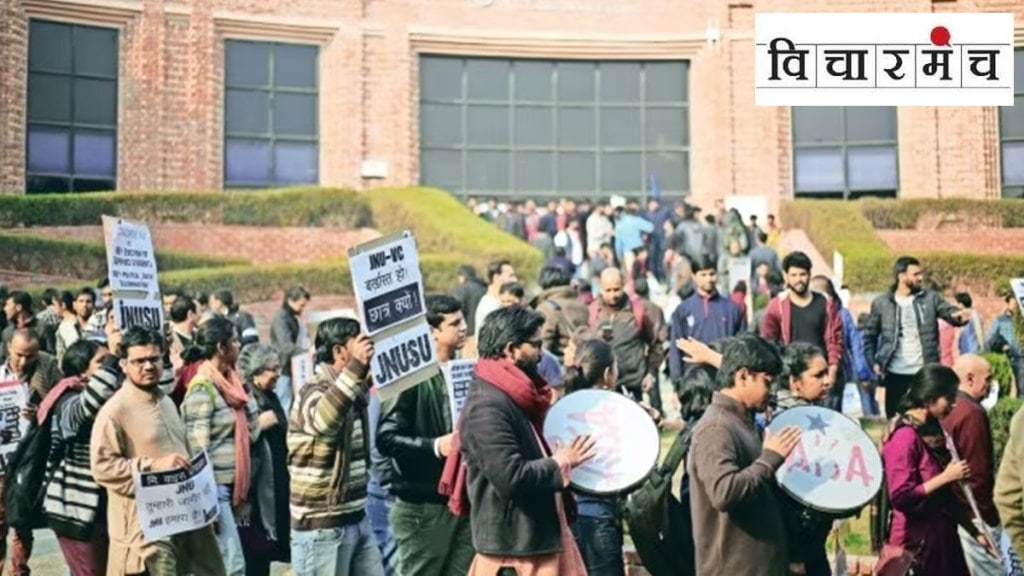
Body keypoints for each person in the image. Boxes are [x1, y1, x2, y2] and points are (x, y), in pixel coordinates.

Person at [441, 306, 595, 574]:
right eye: (535, 345)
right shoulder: (487, 406)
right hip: (514, 556)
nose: (541, 354)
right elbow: (510, 477)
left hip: (534, 543)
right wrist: (559, 462)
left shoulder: (512, 394)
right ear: (511, 350)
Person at [90, 326, 226, 576]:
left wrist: (205, 503)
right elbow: (102, 468)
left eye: (154, 359)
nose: (148, 366)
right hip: (145, 533)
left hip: (185, 519)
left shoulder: (166, 401)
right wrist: (152, 466)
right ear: (124, 364)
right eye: (139, 361)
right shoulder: (115, 411)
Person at [688, 334, 801, 576]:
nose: (771, 392)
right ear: (742, 376)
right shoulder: (716, 428)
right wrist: (769, 459)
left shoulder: (742, 419)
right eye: (767, 382)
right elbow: (724, 493)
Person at [377, 295, 474, 576]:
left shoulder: (465, 369)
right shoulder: (411, 377)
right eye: (454, 323)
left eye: (463, 320)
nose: (464, 328)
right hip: (422, 503)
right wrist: (435, 446)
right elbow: (386, 438)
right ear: (432, 332)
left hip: (462, 498)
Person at [286, 317, 383, 576]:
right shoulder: (312, 391)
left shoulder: (353, 392)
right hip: (322, 528)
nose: (366, 347)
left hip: (357, 517)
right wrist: (357, 366)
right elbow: (325, 420)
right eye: (358, 343)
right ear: (339, 352)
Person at [181, 317, 263, 575]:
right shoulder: (202, 389)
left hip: (232, 486)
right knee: (232, 566)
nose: (239, 346)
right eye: (235, 341)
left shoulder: (232, 385)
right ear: (221, 347)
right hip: (214, 488)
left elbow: (253, 430)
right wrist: (207, 503)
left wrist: (243, 390)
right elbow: (197, 450)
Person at [881, 363, 981, 575]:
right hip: (914, 547)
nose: (954, 403)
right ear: (929, 399)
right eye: (949, 397)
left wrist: (974, 532)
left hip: (942, 542)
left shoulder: (933, 430)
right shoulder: (904, 437)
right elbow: (901, 496)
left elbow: (944, 497)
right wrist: (946, 477)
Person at [863, 256, 970, 418]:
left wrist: (958, 316)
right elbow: (869, 336)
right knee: (896, 418)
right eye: (915, 274)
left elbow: (948, 311)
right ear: (901, 276)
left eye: (921, 274)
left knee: (927, 419)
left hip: (924, 372)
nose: (920, 278)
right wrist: (873, 362)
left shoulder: (930, 298)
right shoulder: (882, 303)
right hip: (894, 373)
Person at [40, 338, 111, 576]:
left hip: (106, 507)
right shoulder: (66, 399)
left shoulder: (114, 398)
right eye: (101, 362)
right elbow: (86, 408)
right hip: (77, 510)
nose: (111, 365)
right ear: (82, 371)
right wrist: (114, 360)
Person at [562, 338, 628, 576]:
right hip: (600, 518)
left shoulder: (561, 407)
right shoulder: (617, 411)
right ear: (608, 373)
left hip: (566, 520)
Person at [769, 343, 834, 576]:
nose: (827, 380)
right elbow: (784, 498)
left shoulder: (814, 414)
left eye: (827, 373)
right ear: (795, 382)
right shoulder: (788, 424)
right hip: (796, 543)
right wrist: (795, 555)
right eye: (818, 375)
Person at [942, 354, 1010, 574]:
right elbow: (977, 473)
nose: (990, 385)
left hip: (953, 509)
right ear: (970, 378)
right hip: (974, 513)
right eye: (987, 379)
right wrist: (990, 517)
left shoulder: (949, 407)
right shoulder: (971, 413)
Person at [237, 343, 291, 576]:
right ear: (257, 372)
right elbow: (237, 439)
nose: (278, 374)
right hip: (256, 492)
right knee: (255, 553)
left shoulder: (271, 396)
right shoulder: (245, 399)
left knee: (266, 553)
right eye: (273, 369)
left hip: (276, 482)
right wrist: (258, 425)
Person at [761, 251, 843, 388]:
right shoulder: (777, 306)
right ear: (786, 276)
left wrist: (832, 371)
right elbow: (769, 342)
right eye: (793, 275)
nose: (798, 279)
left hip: (821, 376)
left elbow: (835, 339)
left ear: (809, 274)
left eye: (802, 274)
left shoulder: (825, 303)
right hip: (791, 379)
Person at [668, 256, 746, 391]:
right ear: (694, 276)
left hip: (724, 378)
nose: (708, 279)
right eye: (703, 275)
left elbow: (742, 344)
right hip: (694, 380)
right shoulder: (683, 310)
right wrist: (677, 383)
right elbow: (676, 348)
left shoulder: (732, 308)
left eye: (711, 274)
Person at [269, 285, 310, 413]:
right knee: (284, 405)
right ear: (291, 300)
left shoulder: (292, 317)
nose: (302, 309)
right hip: (283, 368)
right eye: (301, 305)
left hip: (292, 366)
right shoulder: (281, 318)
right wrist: (307, 352)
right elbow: (286, 346)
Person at [474, 260, 518, 341]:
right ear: (496, 278)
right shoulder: (489, 306)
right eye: (511, 276)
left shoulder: (500, 302)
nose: (515, 280)